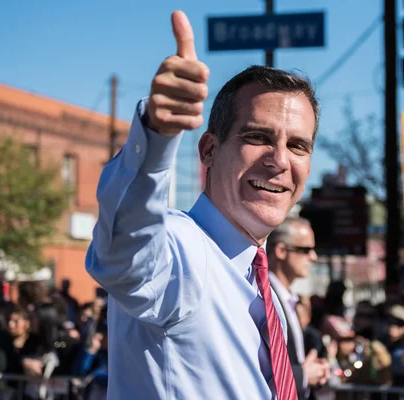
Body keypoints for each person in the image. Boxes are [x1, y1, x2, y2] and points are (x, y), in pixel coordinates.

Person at [85, 10, 320, 400]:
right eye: (258, 136)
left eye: (298, 145)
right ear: (209, 149)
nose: (279, 161)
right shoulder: (181, 251)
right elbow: (124, 253)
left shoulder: (267, 291)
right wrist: (157, 135)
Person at [267, 218, 330, 399]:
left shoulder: (287, 298)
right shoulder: (264, 299)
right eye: (306, 250)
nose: (313, 257)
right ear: (281, 251)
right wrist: (302, 375)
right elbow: (257, 368)